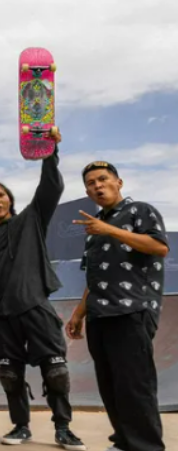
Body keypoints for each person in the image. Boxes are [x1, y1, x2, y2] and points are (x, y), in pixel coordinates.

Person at [0, 134, 84, 449]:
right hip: (1, 315)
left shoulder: (31, 220)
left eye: (1, 195)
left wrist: (51, 151)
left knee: (56, 371)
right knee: (9, 373)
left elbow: (51, 187)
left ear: (10, 200)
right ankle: (21, 427)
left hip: (35, 307)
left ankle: (63, 428)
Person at [66, 161, 168, 451]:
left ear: (118, 182)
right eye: (91, 183)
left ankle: (146, 446)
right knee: (110, 385)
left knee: (135, 385)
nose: (97, 186)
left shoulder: (140, 210)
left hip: (132, 311)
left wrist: (110, 230)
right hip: (99, 313)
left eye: (102, 179)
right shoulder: (94, 225)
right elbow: (95, 275)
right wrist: (78, 314)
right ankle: (124, 441)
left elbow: (159, 247)